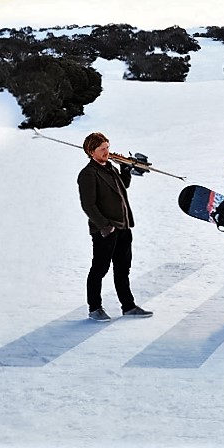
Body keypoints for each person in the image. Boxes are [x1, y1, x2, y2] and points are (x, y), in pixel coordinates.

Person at [77, 132, 153, 321]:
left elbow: (122, 186)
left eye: (107, 147)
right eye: (102, 149)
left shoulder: (110, 168)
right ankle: (94, 308)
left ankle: (128, 306)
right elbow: (88, 205)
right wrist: (105, 226)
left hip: (123, 227)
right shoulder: (88, 174)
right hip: (106, 230)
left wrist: (126, 169)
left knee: (122, 269)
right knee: (99, 269)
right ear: (91, 151)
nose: (106, 152)